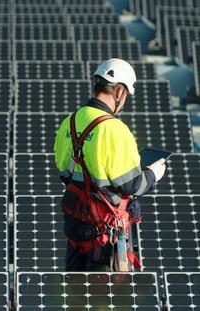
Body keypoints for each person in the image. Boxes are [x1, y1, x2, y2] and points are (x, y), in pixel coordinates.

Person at [53, 58, 167, 271]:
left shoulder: (69, 122)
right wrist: (152, 174)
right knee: (106, 299)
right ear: (119, 92)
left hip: (77, 231)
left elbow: (65, 173)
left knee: (76, 296)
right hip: (105, 238)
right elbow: (132, 185)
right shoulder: (115, 129)